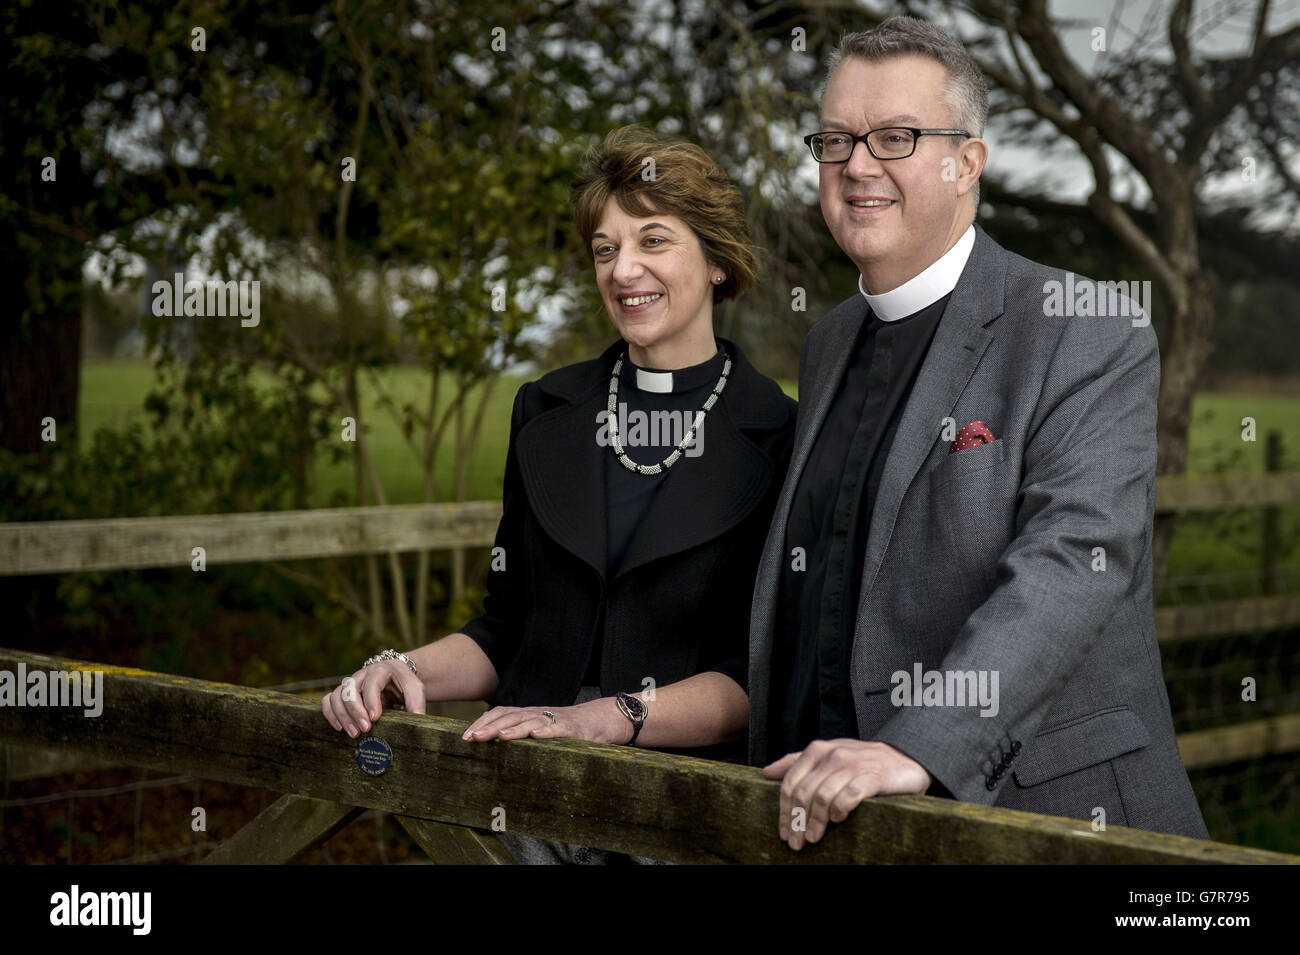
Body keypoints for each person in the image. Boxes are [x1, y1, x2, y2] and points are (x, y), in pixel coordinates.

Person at [748, 16, 1210, 850]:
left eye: (895, 137)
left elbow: (1073, 562)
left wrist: (916, 742)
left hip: (1049, 820)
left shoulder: (1086, 325)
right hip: (839, 820)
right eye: (837, 139)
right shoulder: (829, 341)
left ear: (968, 162)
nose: (857, 165)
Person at [321, 125, 797, 863]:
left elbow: (757, 677)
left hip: (681, 821)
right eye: (605, 249)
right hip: (518, 811)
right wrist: (400, 667)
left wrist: (605, 717)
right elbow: (505, 629)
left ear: (718, 262)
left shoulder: (782, 434)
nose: (623, 268)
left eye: (653, 241)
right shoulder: (545, 411)